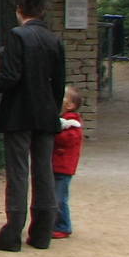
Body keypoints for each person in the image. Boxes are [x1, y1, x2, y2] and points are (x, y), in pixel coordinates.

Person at [0, 0, 67, 251]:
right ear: (42, 11)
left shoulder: (17, 36)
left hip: (19, 112)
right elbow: (60, 83)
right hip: (46, 112)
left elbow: (10, 77)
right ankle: (42, 231)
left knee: (18, 171)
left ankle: (12, 232)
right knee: (43, 170)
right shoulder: (54, 40)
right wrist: (54, 109)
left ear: (20, 9)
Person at [52, 86, 84, 239]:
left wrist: (55, 131)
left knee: (59, 198)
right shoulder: (66, 120)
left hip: (63, 167)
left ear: (70, 105)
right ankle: (55, 223)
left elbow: (67, 139)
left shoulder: (71, 122)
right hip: (58, 165)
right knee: (55, 196)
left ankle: (63, 226)